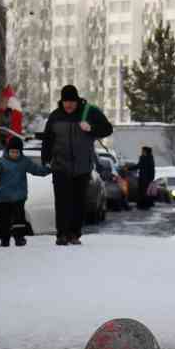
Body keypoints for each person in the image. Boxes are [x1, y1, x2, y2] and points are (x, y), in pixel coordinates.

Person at [41, 84, 112, 245]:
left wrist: (91, 128)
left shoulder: (89, 112)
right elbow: (48, 139)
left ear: (77, 100)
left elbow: (107, 129)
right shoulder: (55, 116)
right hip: (60, 166)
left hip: (82, 167)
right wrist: (46, 159)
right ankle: (62, 234)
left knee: (78, 202)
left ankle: (75, 233)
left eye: (72, 102)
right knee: (62, 202)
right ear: (62, 101)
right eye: (66, 102)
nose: (69, 105)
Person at [0, 136, 50, 246]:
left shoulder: (24, 162)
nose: (14, 154)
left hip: (19, 197)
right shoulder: (1, 162)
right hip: (4, 197)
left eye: (17, 152)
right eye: (12, 152)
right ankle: (4, 240)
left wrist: (48, 169)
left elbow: (36, 170)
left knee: (19, 219)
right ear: (8, 150)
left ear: (20, 152)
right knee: (4, 220)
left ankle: (19, 238)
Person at [134, 146, 157, 211]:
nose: (142, 152)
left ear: (146, 151)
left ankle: (144, 205)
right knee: (141, 191)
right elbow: (139, 166)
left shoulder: (149, 158)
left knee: (145, 192)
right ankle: (142, 204)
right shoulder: (144, 158)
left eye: (143, 151)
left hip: (146, 178)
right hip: (142, 178)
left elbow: (151, 169)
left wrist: (151, 179)